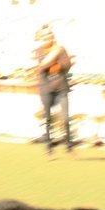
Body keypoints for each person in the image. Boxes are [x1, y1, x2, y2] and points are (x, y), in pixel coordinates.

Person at [33, 24, 73, 155]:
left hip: (61, 87)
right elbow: (42, 68)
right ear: (40, 37)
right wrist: (54, 64)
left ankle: (69, 146)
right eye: (45, 35)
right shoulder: (39, 51)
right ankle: (49, 147)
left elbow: (66, 66)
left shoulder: (60, 49)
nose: (48, 37)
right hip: (46, 88)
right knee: (48, 118)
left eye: (50, 34)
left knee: (66, 117)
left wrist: (54, 64)